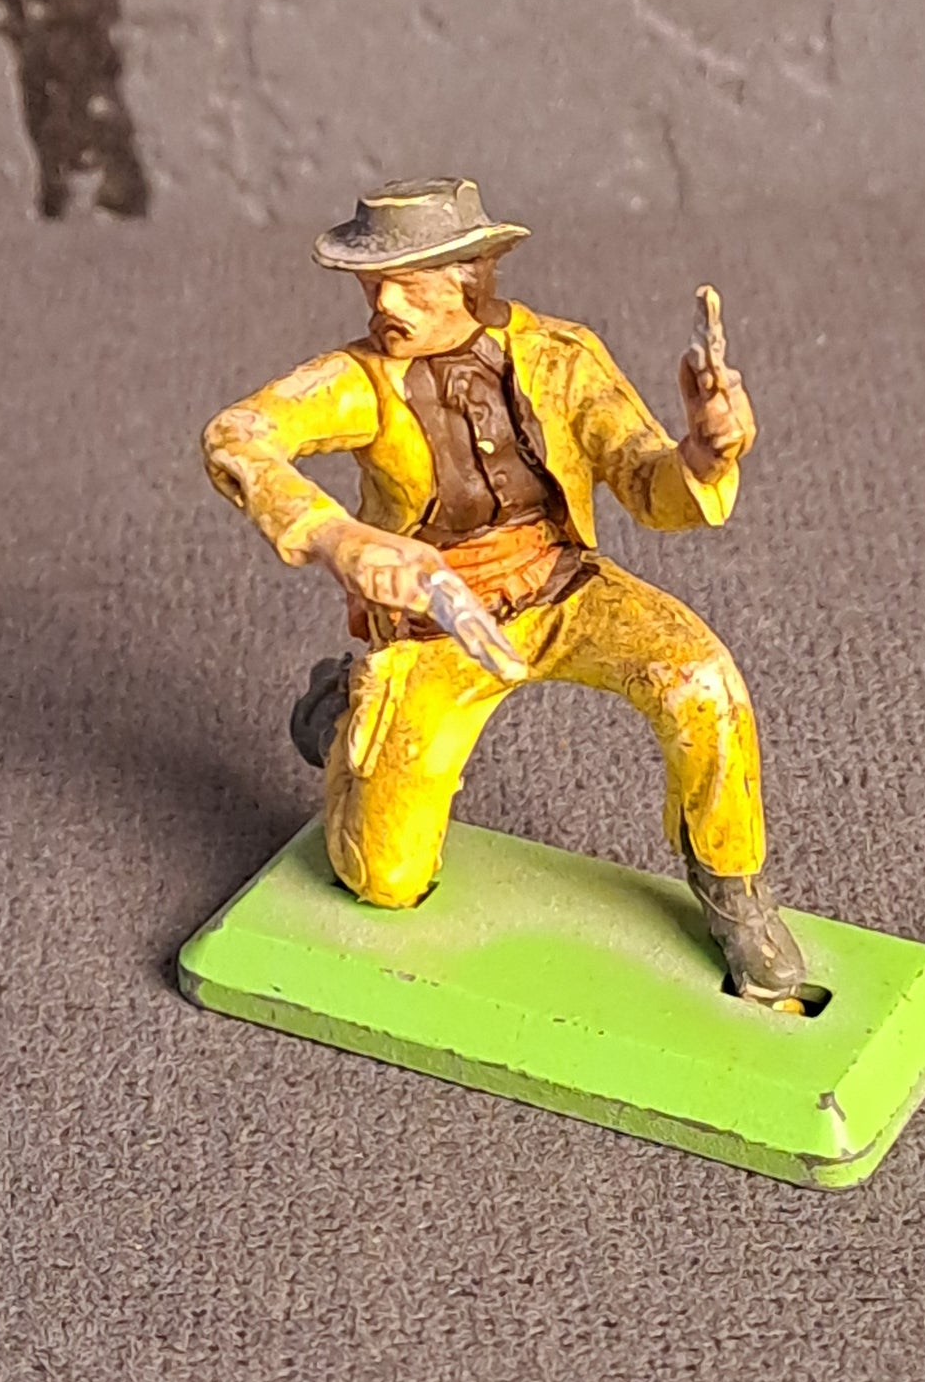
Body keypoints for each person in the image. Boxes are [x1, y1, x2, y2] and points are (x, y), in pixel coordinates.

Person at [201, 178, 807, 1002]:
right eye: (371, 285)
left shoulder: (562, 357)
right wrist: (336, 536)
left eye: (408, 284)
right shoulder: (360, 381)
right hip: (438, 624)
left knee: (702, 680)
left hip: (565, 587)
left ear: (469, 275)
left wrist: (703, 452)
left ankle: (735, 890)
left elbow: (645, 482)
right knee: (384, 877)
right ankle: (347, 714)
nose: (384, 304)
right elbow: (237, 435)